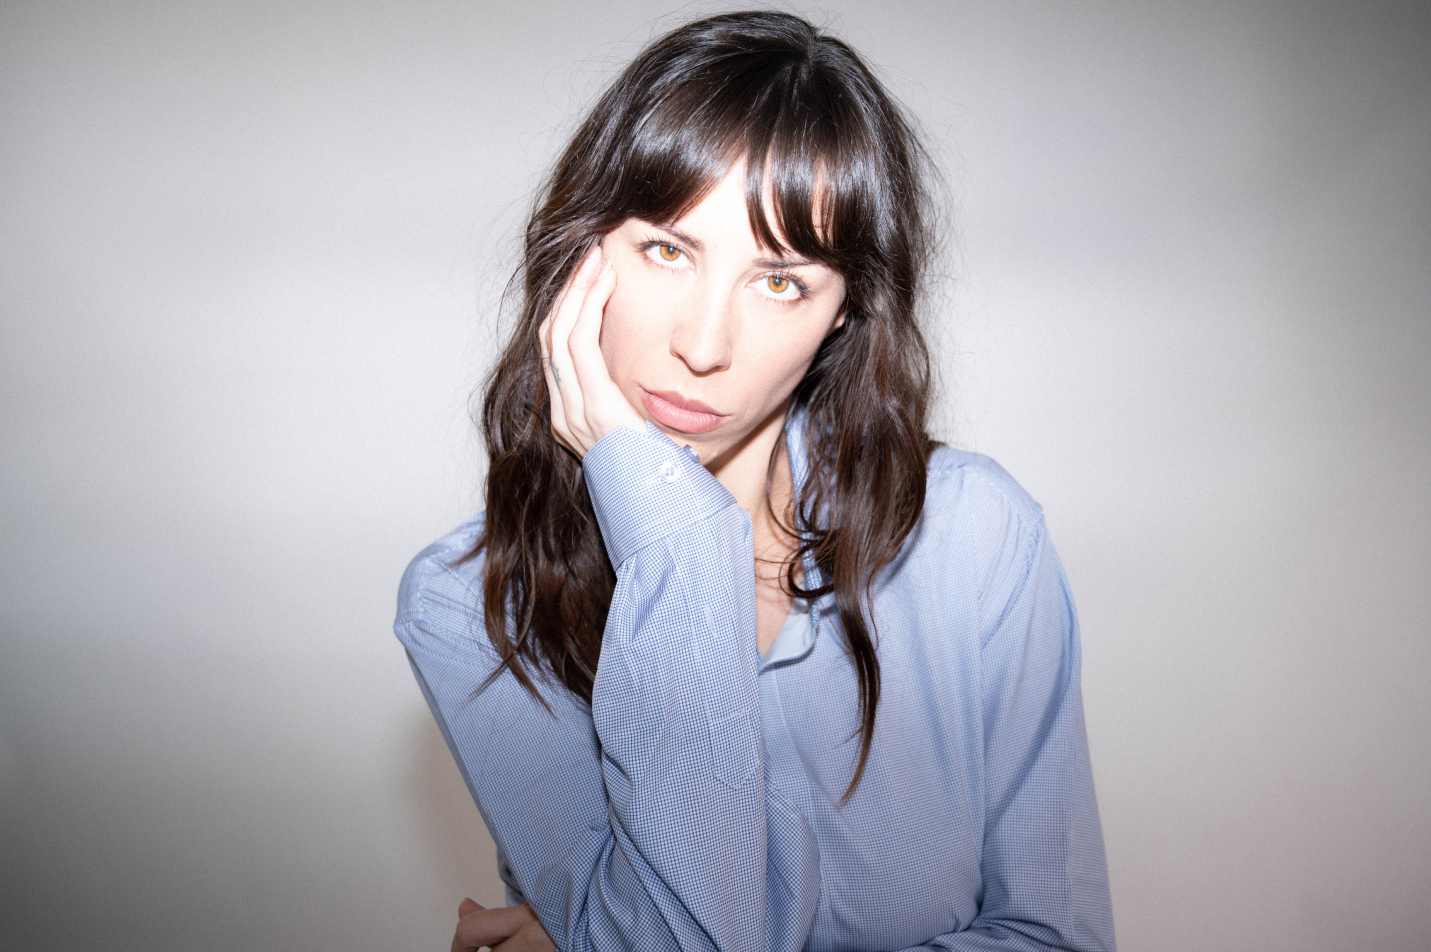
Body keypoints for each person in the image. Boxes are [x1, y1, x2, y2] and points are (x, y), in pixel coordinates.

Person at [395, 11, 1116, 952]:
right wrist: (675, 537)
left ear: (843, 312)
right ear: (581, 250)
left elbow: (1055, 939)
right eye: (666, 249)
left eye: (780, 282)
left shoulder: (974, 535)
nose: (702, 346)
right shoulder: (472, 606)